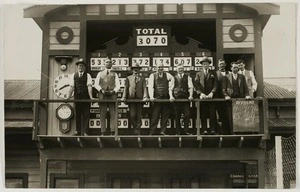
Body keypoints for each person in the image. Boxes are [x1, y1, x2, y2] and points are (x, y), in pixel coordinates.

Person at [67, 59, 94, 136]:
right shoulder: (74, 75)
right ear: (77, 67)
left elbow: (89, 87)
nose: (80, 67)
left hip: (85, 97)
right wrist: (68, 97)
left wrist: (91, 97)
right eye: (79, 66)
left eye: (82, 66)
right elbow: (71, 87)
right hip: (77, 97)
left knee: (86, 114)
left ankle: (85, 132)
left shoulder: (88, 75)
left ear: (85, 67)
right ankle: (77, 130)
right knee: (77, 114)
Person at [94, 57, 121, 135]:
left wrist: (114, 91)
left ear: (111, 64)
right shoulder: (100, 73)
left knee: (113, 114)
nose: (108, 63)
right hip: (103, 95)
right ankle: (103, 131)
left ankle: (113, 131)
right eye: (107, 62)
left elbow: (118, 85)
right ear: (104, 63)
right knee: (103, 114)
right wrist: (100, 90)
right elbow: (96, 84)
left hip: (112, 96)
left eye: (109, 62)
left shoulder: (115, 74)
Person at [121, 63, 149, 135]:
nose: (135, 70)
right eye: (134, 68)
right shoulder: (128, 78)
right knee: (132, 115)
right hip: (131, 99)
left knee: (139, 116)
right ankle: (135, 128)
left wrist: (145, 97)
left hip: (140, 100)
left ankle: (138, 131)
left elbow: (144, 88)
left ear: (139, 70)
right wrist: (124, 97)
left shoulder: (142, 78)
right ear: (132, 70)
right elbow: (126, 88)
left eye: (137, 68)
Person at [148, 62, 175, 135]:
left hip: (165, 99)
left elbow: (173, 80)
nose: (160, 68)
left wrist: (170, 94)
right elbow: (150, 87)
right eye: (159, 67)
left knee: (165, 116)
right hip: (157, 99)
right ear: (156, 68)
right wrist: (151, 96)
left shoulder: (168, 75)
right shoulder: (152, 75)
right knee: (155, 116)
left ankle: (163, 131)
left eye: (161, 67)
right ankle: (152, 132)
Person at [194, 57, 218, 135]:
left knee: (212, 114)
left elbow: (215, 84)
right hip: (202, 97)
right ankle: (204, 130)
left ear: (209, 65)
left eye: (206, 64)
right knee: (203, 114)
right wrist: (200, 93)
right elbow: (196, 85)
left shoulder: (213, 73)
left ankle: (212, 130)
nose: (205, 65)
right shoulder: (198, 74)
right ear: (202, 65)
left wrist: (212, 93)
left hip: (211, 97)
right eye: (204, 64)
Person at [173, 63, 193, 135]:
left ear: (183, 69)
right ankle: (178, 131)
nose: (180, 70)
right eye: (179, 68)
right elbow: (171, 88)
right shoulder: (173, 77)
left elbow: (190, 87)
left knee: (187, 115)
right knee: (177, 116)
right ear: (176, 69)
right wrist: (172, 96)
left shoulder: (188, 77)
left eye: (181, 68)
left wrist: (190, 95)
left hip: (185, 100)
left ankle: (186, 131)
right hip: (177, 99)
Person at [215, 59, 230, 134]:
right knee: (219, 115)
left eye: (223, 64)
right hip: (218, 98)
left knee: (227, 115)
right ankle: (220, 131)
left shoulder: (229, 73)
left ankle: (228, 131)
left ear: (225, 65)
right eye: (220, 64)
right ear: (218, 65)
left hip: (227, 98)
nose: (222, 65)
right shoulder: (215, 74)